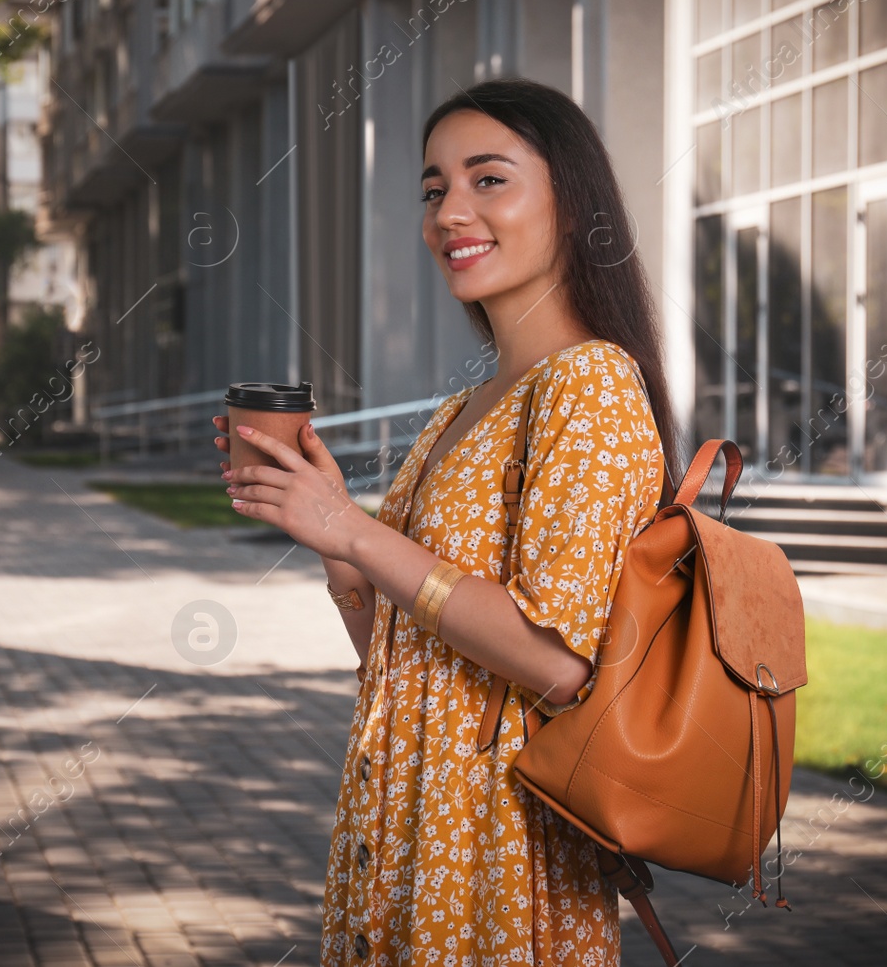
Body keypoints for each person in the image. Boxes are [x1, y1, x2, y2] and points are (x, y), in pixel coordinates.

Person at [212, 77, 678, 965]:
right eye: (433, 190)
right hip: (405, 838)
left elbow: (558, 663)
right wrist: (331, 536)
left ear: (573, 205)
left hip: (498, 859)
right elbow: (400, 662)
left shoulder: (591, 384)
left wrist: (357, 531)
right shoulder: (461, 407)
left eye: (488, 179)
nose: (450, 211)